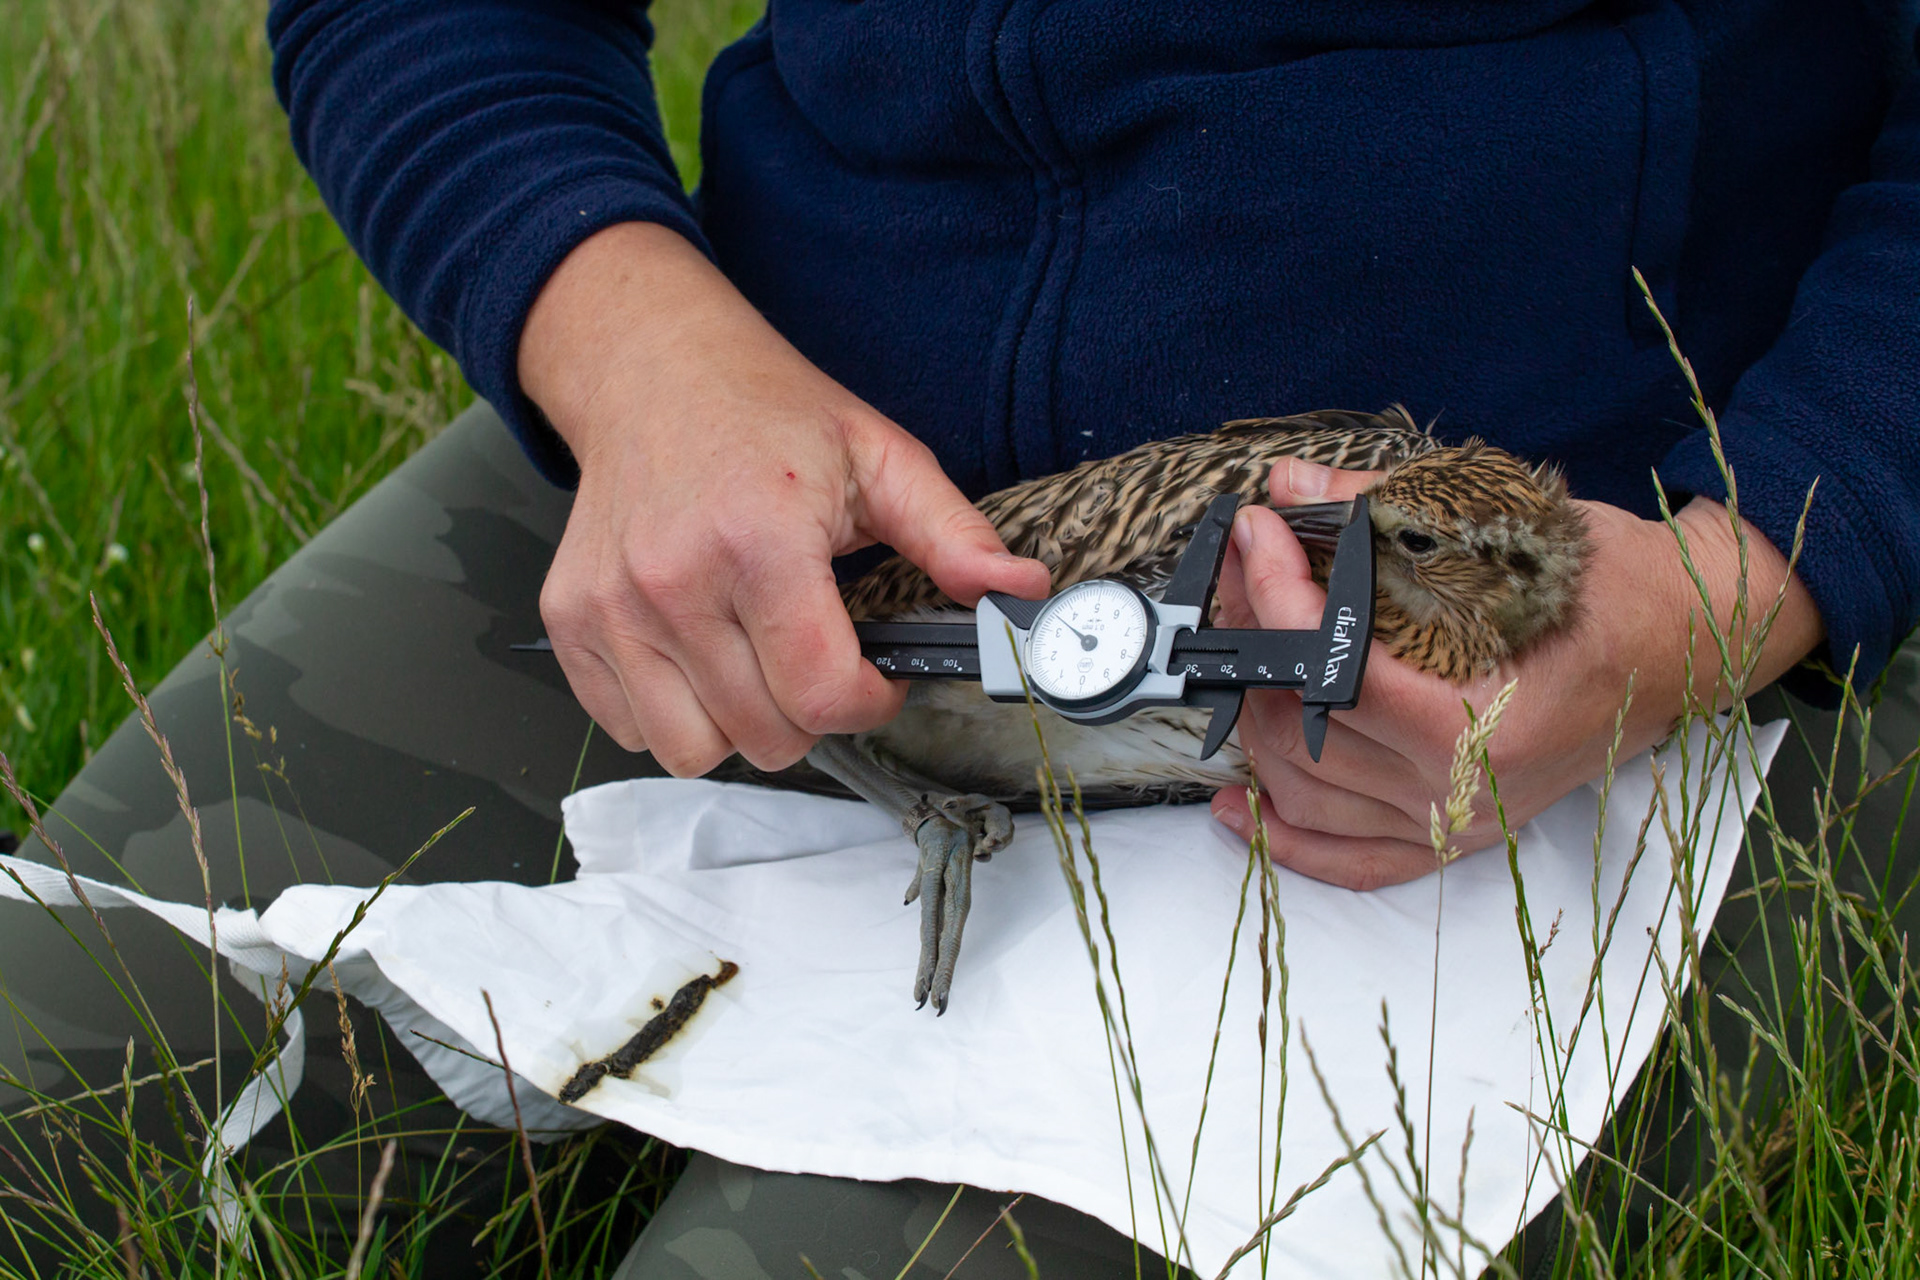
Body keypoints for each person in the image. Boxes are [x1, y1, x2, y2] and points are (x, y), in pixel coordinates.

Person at [3, 2, 1916, 1275]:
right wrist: (642, 353)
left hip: (1585, 572)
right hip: (774, 463)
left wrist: (1733, 576)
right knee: (46, 1099)